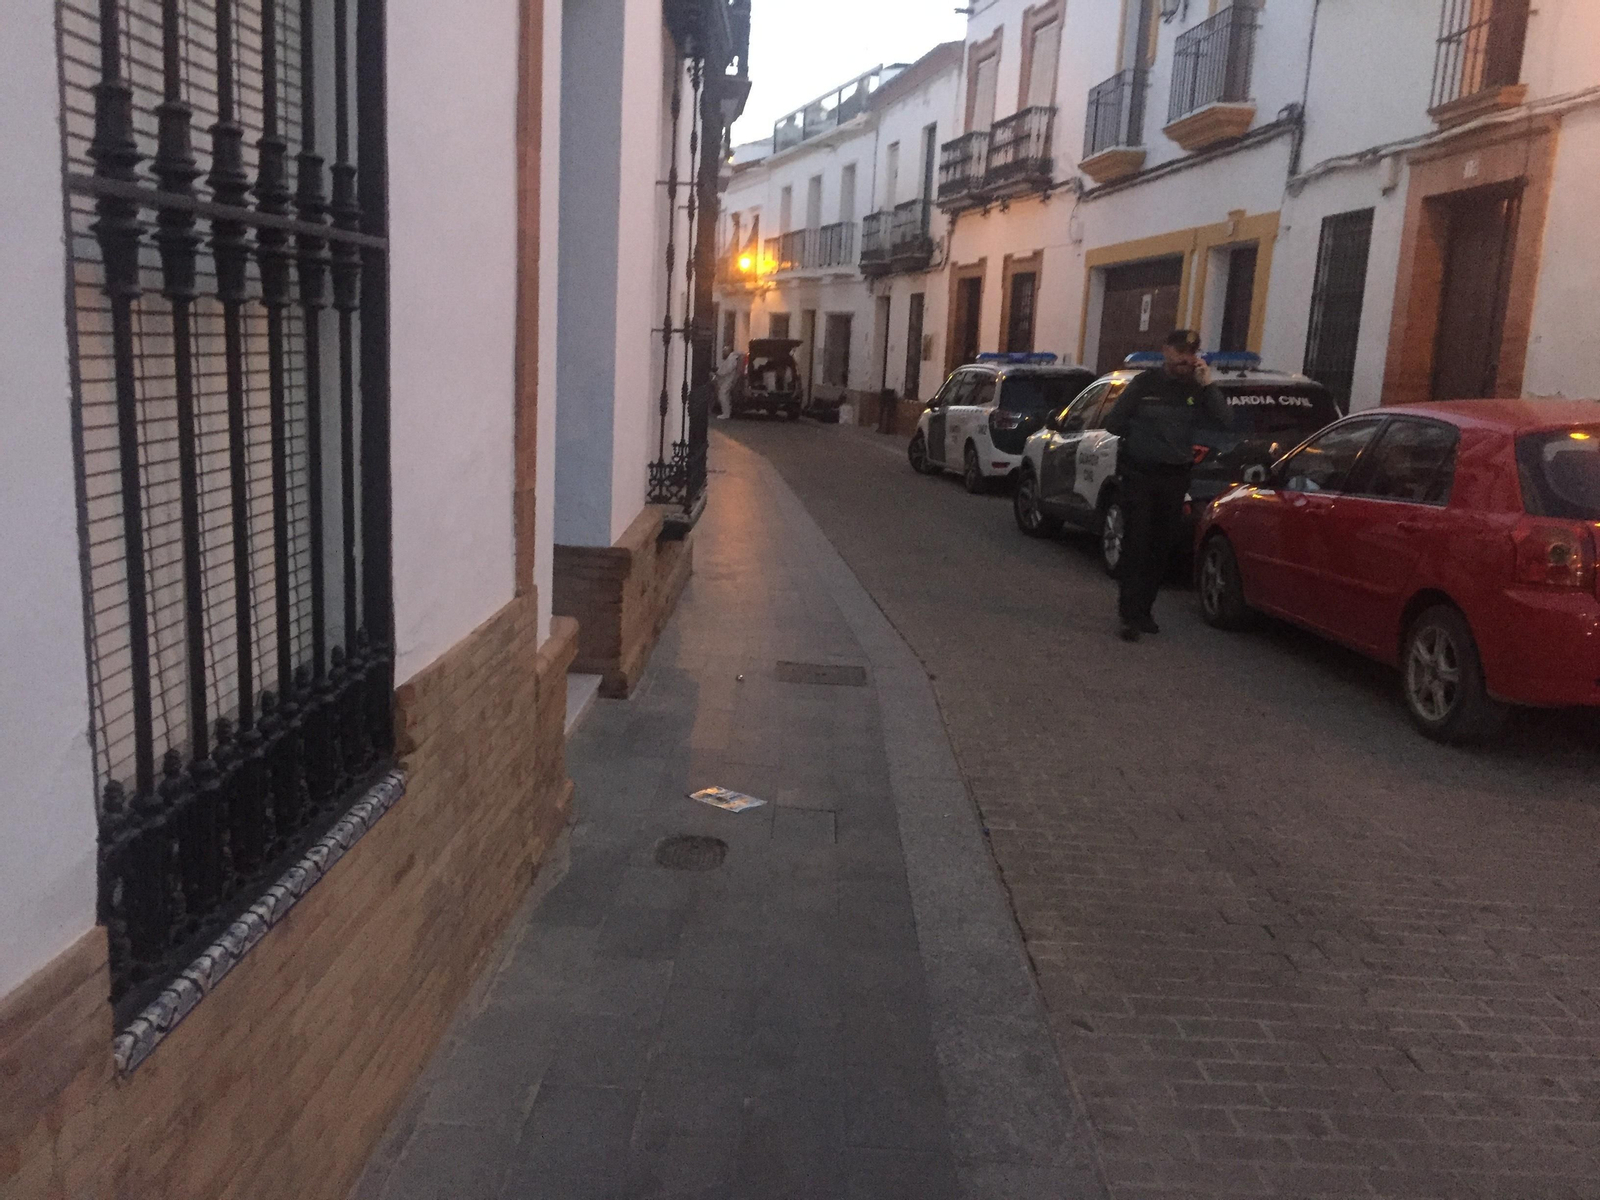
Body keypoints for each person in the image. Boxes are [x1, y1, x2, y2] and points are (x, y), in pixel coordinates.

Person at [1101, 329, 1233, 642]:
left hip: (1174, 479)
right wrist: (1143, 439)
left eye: (1190, 353)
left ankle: (1144, 610)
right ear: (1166, 351)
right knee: (1137, 544)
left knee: (1160, 547)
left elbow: (1225, 421)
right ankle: (1129, 614)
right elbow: (1114, 423)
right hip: (1140, 476)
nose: (1184, 359)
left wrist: (1209, 385)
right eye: (1179, 352)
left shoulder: (1197, 390)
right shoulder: (1144, 385)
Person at [715, 346, 742, 419]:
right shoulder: (731, 358)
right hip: (727, 379)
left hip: (728, 380)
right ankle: (726, 412)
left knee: (723, 395)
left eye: (725, 351)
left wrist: (719, 373)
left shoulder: (731, 359)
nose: (723, 352)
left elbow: (728, 369)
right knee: (724, 396)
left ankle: (726, 413)